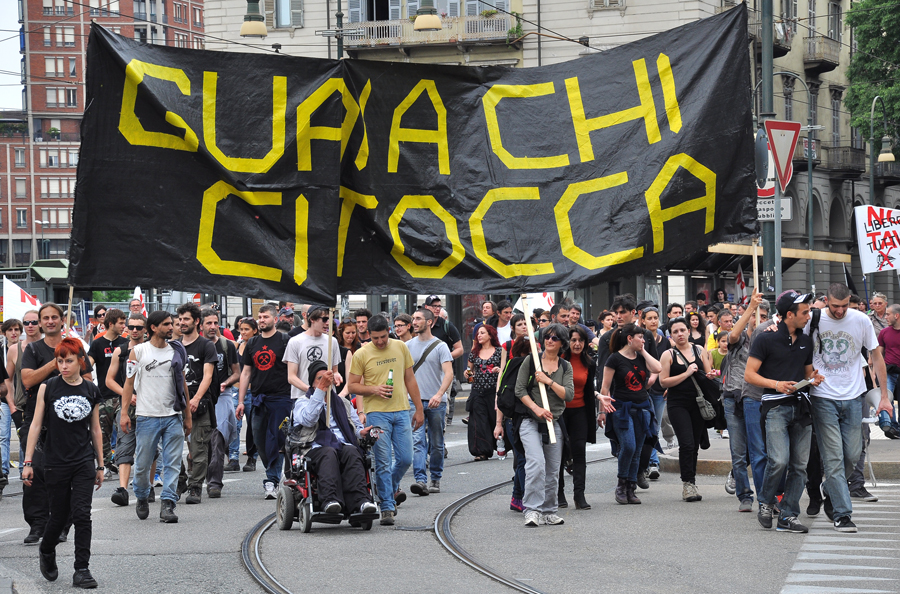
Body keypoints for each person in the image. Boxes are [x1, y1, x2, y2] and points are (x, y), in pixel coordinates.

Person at [807, 283, 890, 532]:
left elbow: (877, 356)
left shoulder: (860, 320)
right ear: (827, 300)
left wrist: (884, 396)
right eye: (835, 306)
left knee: (853, 455)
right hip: (823, 396)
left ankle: (831, 488)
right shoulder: (814, 319)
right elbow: (788, 334)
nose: (840, 311)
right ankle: (842, 514)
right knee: (833, 457)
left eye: (844, 306)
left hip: (854, 396)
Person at [22, 337, 103, 589]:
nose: (64, 366)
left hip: (83, 461)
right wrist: (27, 462)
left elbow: (95, 429)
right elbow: (36, 424)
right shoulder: (48, 387)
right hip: (55, 461)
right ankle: (47, 549)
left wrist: (100, 465)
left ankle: (82, 569)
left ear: (81, 362)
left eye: (69, 361)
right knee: (57, 517)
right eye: (60, 361)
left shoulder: (91, 390)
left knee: (82, 514)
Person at [744, 291, 823, 534]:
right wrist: (776, 384)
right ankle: (766, 502)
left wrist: (814, 378)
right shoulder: (765, 339)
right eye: (804, 312)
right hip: (775, 406)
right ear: (789, 314)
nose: (808, 316)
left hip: (802, 407)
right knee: (779, 461)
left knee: (800, 466)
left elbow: (807, 373)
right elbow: (749, 375)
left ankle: (788, 515)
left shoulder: (806, 341)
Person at [347, 315, 423, 526]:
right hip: (377, 413)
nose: (380, 342)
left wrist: (419, 409)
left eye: (383, 337)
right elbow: (352, 385)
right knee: (382, 461)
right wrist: (374, 389)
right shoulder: (361, 354)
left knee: (406, 458)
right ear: (369, 335)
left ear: (388, 331)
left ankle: (386, 488)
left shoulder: (400, 347)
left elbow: (410, 379)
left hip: (402, 410)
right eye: (375, 338)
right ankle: (387, 506)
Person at [121, 311, 191, 524]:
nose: (172, 327)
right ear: (153, 327)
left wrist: (187, 414)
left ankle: (168, 503)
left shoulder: (176, 351)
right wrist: (124, 413)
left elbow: (183, 384)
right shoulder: (138, 352)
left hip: (173, 415)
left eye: (172, 324)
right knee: (142, 465)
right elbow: (129, 383)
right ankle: (142, 494)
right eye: (167, 324)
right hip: (146, 416)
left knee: (172, 464)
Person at [291, 362, 379, 517]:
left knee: (352, 451)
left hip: (342, 444)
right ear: (312, 382)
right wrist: (320, 392)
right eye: (320, 378)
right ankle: (330, 500)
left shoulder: (342, 402)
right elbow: (309, 420)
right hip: (314, 446)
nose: (325, 381)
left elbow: (355, 427)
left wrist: (362, 433)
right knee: (328, 452)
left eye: (327, 378)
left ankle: (361, 501)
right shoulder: (303, 402)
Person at [21, 304, 74, 544]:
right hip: (37, 421)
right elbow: (28, 379)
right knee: (34, 471)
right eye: (45, 318)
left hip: (68, 422)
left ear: (62, 320)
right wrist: (55, 362)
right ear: (41, 322)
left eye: (54, 317)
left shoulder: (75, 346)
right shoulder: (33, 349)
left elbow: (86, 379)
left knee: (64, 475)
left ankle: (61, 524)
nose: (50, 321)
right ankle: (37, 524)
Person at [515, 323, 575, 527]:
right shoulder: (531, 360)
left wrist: (548, 381)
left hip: (554, 421)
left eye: (555, 338)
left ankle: (549, 511)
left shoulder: (565, 366)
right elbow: (519, 390)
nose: (550, 340)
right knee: (536, 463)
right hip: (530, 420)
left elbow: (568, 394)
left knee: (553, 469)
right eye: (547, 337)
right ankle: (532, 510)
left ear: (562, 343)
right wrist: (536, 408)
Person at [235, 304, 293, 499]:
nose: (261, 320)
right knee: (259, 440)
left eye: (265, 317)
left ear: (275, 319)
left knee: (277, 440)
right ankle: (275, 470)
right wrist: (241, 401)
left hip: (281, 398)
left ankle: (272, 480)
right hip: (258, 399)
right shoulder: (252, 343)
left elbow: (293, 369)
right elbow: (246, 373)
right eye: (259, 317)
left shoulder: (285, 341)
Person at [600, 323, 660, 505]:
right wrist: (602, 411)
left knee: (637, 450)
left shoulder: (642, 357)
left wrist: (643, 351)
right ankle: (621, 485)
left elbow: (657, 368)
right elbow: (605, 387)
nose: (643, 341)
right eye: (640, 337)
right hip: (622, 409)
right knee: (628, 446)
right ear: (629, 338)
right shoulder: (614, 359)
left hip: (642, 409)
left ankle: (631, 488)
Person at [658, 317, 715, 502]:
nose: (680, 334)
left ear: (689, 331)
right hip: (677, 404)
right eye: (675, 332)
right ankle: (687, 484)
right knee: (687, 443)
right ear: (671, 335)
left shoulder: (699, 350)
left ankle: (692, 481)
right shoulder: (668, 354)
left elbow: (707, 374)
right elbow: (663, 382)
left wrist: (712, 375)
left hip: (698, 403)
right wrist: (687, 373)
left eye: (682, 330)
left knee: (694, 445)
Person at [722, 291, 768, 512]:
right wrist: (750, 308)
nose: (758, 320)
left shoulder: (768, 341)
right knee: (738, 452)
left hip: (758, 399)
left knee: (759, 451)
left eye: (763, 316)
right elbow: (732, 336)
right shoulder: (741, 340)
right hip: (734, 398)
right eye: (756, 316)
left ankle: (766, 496)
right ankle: (744, 494)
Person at [406, 308, 453, 495]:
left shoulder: (441, 346)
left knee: (436, 443)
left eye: (418, 319)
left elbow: (449, 373)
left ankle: (435, 477)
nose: (414, 322)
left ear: (430, 322)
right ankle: (420, 480)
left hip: (436, 402)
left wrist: (439, 394)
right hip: (414, 402)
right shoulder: (407, 346)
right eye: (413, 319)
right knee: (417, 441)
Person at [175, 303, 218, 505]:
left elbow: (208, 376)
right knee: (172, 446)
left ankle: (195, 487)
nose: (182, 323)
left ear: (196, 321)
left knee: (199, 447)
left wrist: (196, 398)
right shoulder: (174, 346)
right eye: (180, 319)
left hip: (199, 403)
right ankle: (180, 480)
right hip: (176, 403)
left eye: (186, 319)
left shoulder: (206, 346)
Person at [105, 313, 148, 506]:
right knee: (124, 446)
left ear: (146, 329)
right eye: (131, 327)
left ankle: (147, 486)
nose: (134, 330)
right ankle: (122, 489)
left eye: (139, 327)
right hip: (127, 406)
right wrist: (127, 394)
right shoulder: (120, 351)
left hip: (150, 406)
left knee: (149, 448)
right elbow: (109, 380)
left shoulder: (152, 349)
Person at [559, 325, 599, 510]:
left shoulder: (589, 363)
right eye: (573, 340)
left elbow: (590, 391)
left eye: (580, 340)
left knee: (579, 452)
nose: (577, 344)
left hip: (580, 412)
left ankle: (579, 495)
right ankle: (559, 493)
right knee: (558, 453)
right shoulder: (559, 360)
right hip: (560, 412)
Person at [202, 308, 241, 493]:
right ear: (200, 325)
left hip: (221, 397)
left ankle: (215, 482)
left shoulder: (227, 345)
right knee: (201, 442)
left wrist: (226, 382)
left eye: (215, 323)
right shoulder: (196, 345)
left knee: (218, 438)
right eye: (209, 323)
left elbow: (237, 373)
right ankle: (197, 477)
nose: (213, 327)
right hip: (200, 397)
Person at [87, 308, 128, 470]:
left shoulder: (125, 343)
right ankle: (105, 463)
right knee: (103, 434)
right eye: (121, 323)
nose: (124, 326)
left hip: (122, 395)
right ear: (111, 324)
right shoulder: (98, 344)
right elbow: (88, 365)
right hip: (104, 396)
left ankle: (122, 460)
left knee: (124, 432)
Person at [284, 305, 343, 401]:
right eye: (324, 319)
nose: (328, 323)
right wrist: (312, 391)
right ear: (312, 319)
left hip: (327, 397)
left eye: (330, 319)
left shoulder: (332, 341)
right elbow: (291, 377)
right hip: (303, 398)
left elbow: (335, 370)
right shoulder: (295, 341)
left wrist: (336, 375)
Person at [641, 306, 670, 480]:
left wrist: (668, 386)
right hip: (642, 389)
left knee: (655, 426)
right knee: (645, 426)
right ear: (643, 320)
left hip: (660, 390)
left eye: (655, 318)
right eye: (649, 318)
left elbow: (670, 364)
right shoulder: (639, 339)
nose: (653, 321)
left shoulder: (665, 341)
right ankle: (649, 462)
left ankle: (652, 462)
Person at [466, 324, 501, 461]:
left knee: (493, 419)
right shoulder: (474, 352)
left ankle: (500, 445)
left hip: (494, 392)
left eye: (482, 333)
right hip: (478, 391)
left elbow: (505, 369)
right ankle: (481, 451)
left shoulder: (499, 351)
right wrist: (468, 374)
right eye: (478, 333)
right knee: (479, 422)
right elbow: (470, 373)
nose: (479, 336)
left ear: (490, 335)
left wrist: (499, 370)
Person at [0, 318, 21, 497]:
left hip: (22, 399)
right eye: (10, 330)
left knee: (24, 435)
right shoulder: (1, 351)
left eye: (16, 329)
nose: (13, 333)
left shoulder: (26, 349)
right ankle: (4, 470)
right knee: (3, 436)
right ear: (4, 332)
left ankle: (24, 468)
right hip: (4, 400)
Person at [236, 318, 259, 471]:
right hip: (237, 390)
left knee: (253, 426)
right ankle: (233, 457)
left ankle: (252, 457)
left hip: (253, 390)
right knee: (234, 424)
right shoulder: (237, 346)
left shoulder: (257, 346)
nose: (243, 332)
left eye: (247, 329)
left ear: (254, 331)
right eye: (241, 329)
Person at [876, 303, 900, 439]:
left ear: (897, 316)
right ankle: (892, 427)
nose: (885, 317)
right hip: (889, 371)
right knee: (887, 397)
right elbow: (878, 353)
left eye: (888, 314)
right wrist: (875, 370)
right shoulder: (884, 332)